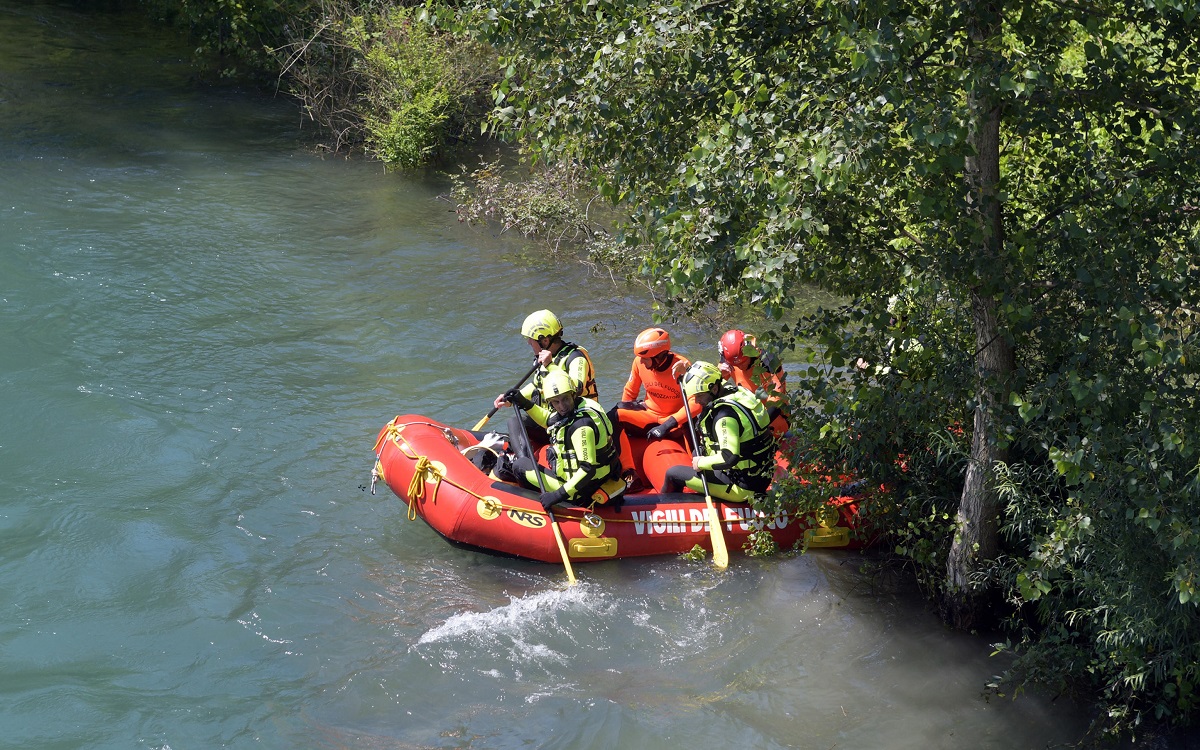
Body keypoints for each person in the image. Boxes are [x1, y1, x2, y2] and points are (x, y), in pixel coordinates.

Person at [502, 370, 626, 510]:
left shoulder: (581, 427)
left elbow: (587, 469)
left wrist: (557, 495)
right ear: (550, 402)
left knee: (520, 465)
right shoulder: (582, 405)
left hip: (581, 490)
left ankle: (536, 507)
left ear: (572, 394)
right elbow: (549, 420)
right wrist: (523, 402)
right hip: (600, 477)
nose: (562, 406)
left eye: (565, 399)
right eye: (556, 402)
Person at [659, 361, 777, 503]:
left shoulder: (725, 417)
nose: (696, 401)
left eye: (699, 396)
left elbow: (729, 458)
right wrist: (687, 370)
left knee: (673, 474)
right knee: (698, 453)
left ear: (714, 389)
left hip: (742, 488)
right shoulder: (734, 392)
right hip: (759, 476)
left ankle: (666, 511)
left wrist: (701, 463)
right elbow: (709, 376)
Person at [494, 309, 598, 445]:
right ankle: (523, 460)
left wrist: (550, 365)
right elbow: (537, 386)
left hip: (575, 419)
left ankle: (527, 461)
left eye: (531, 340)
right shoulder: (544, 358)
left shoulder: (575, 358)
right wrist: (513, 398)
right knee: (514, 422)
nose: (529, 343)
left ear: (545, 340)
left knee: (516, 422)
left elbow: (576, 388)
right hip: (553, 418)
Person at [608, 327, 699, 442]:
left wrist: (666, 426)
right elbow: (630, 393)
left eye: (645, 358)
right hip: (649, 415)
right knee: (614, 414)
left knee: (690, 422)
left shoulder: (681, 366)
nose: (641, 361)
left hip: (675, 423)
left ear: (659, 356)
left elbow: (695, 403)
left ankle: (695, 457)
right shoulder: (638, 362)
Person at [717, 329, 789, 436]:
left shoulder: (767, 362)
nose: (740, 366)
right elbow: (714, 387)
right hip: (748, 411)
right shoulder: (728, 359)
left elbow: (776, 399)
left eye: (743, 362)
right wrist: (719, 374)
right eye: (736, 364)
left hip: (774, 415)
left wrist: (757, 425)